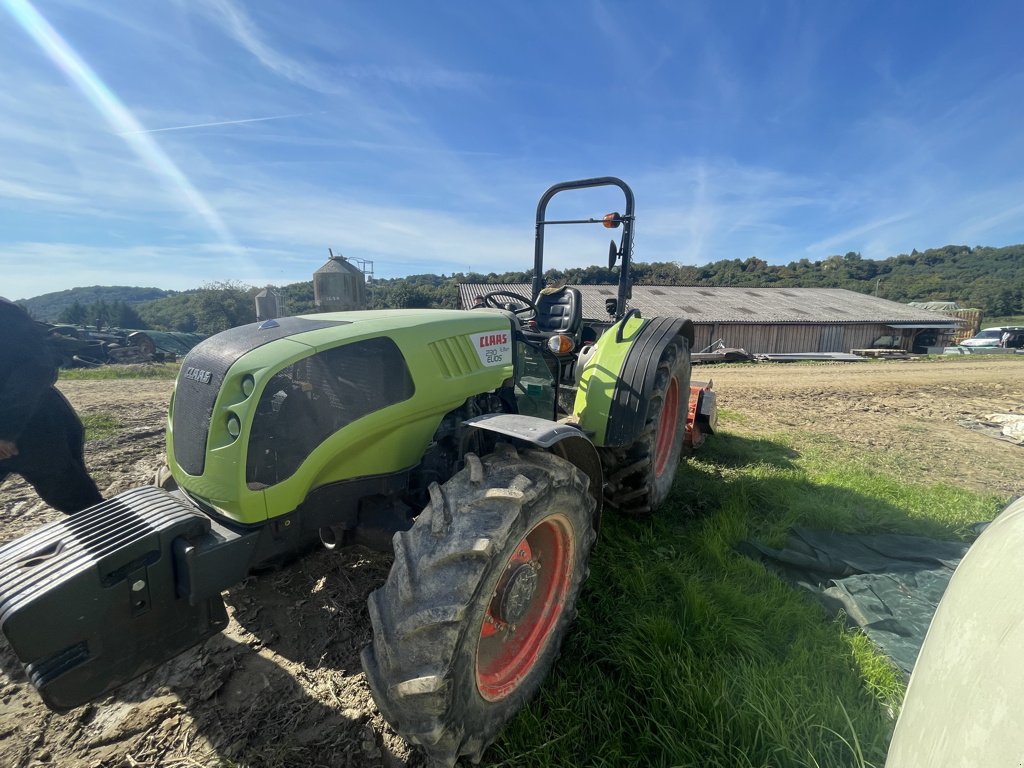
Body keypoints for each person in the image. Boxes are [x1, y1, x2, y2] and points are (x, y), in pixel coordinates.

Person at [0, 297, 102, 513]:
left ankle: (124, 542)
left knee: (81, 505)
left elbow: (35, 368)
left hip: (32, 429)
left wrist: (6, 430)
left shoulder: (4, 313)